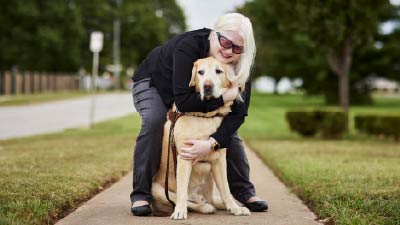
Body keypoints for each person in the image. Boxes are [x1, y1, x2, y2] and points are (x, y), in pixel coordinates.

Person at [130, 12, 268, 216]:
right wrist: (223, 98)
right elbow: (185, 101)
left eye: (237, 47)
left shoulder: (240, 65)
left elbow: (238, 115)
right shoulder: (189, 47)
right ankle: (141, 194)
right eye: (225, 42)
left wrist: (211, 143)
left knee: (226, 130)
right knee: (154, 120)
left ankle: (244, 192)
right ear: (214, 35)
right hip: (153, 82)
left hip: (190, 94)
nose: (229, 51)